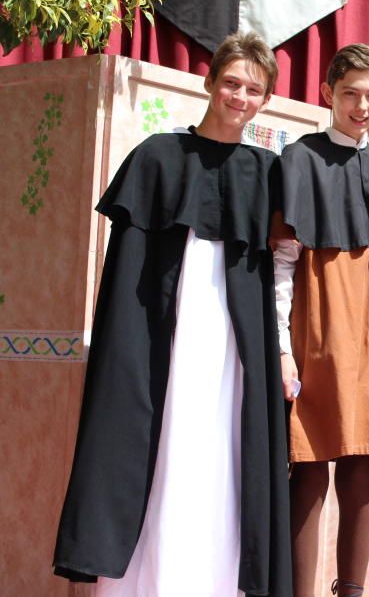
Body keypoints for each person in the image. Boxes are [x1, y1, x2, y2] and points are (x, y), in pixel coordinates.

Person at [53, 31, 292, 596]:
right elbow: (125, 280)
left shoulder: (268, 171)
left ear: (266, 100)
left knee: (223, 457)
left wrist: (279, 350)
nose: (240, 96)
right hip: (162, 336)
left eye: (253, 89)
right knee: (158, 446)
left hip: (236, 345)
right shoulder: (157, 157)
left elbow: (283, 269)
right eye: (231, 83)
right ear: (209, 83)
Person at [270, 43, 369, 597]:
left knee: (363, 463)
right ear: (327, 93)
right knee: (308, 465)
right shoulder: (297, 158)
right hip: (319, 322)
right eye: (350, 93)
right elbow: (282, 266)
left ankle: (351, 590)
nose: (361, 106)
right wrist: (283, 345)